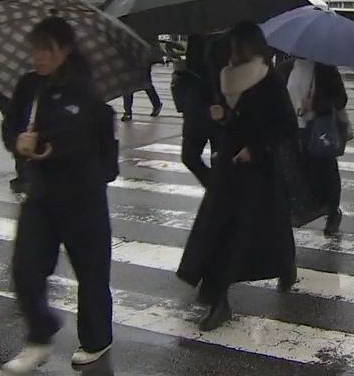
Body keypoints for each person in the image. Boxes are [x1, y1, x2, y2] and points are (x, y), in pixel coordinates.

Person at [2, 17, 114, 373]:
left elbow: (87, 138)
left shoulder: (86, 89)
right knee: (25, 266)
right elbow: (11, 126)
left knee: (92, 274)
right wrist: (17, 142)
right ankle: (40, 332)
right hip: (42, 194)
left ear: (65, 50)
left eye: (45, 49)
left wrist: (51, 147)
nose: (38, 56)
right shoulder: (29, 86)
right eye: (34, 48)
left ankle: (96, 339)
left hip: (83, 196)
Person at [176, 21, 298, 332]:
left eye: (237, 45)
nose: (232, 51)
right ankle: (218, 297)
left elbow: (285, 125)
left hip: (257, 169)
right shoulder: (225, 76)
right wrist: (219, 117)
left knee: (259, 230)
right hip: (227, 165)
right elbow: (228, 121)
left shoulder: (268, 79)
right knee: (219, 231)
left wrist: (254, 149)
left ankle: (284, 265)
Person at [288, 58, 348, 235]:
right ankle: (303, 210)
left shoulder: (325, 67)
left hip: (319, 129)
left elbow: (340, 99)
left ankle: (332, 213)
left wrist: (313, 104)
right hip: (293, 131)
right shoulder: (287, 67)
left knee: (325, 172)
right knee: (298, 174)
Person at [175, 34, 226, 188]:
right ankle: (216, 190)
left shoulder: (226, 37)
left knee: (219, 159)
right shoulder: (196, 33)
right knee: (189, 156)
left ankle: (219, 194)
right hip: (196, 107)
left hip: (220, 107)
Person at [122, 50, 163, 121]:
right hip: (132, 62)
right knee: (128, 87)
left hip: (141, 61)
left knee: (145, 84)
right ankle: (127, 112)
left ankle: (128, 112)